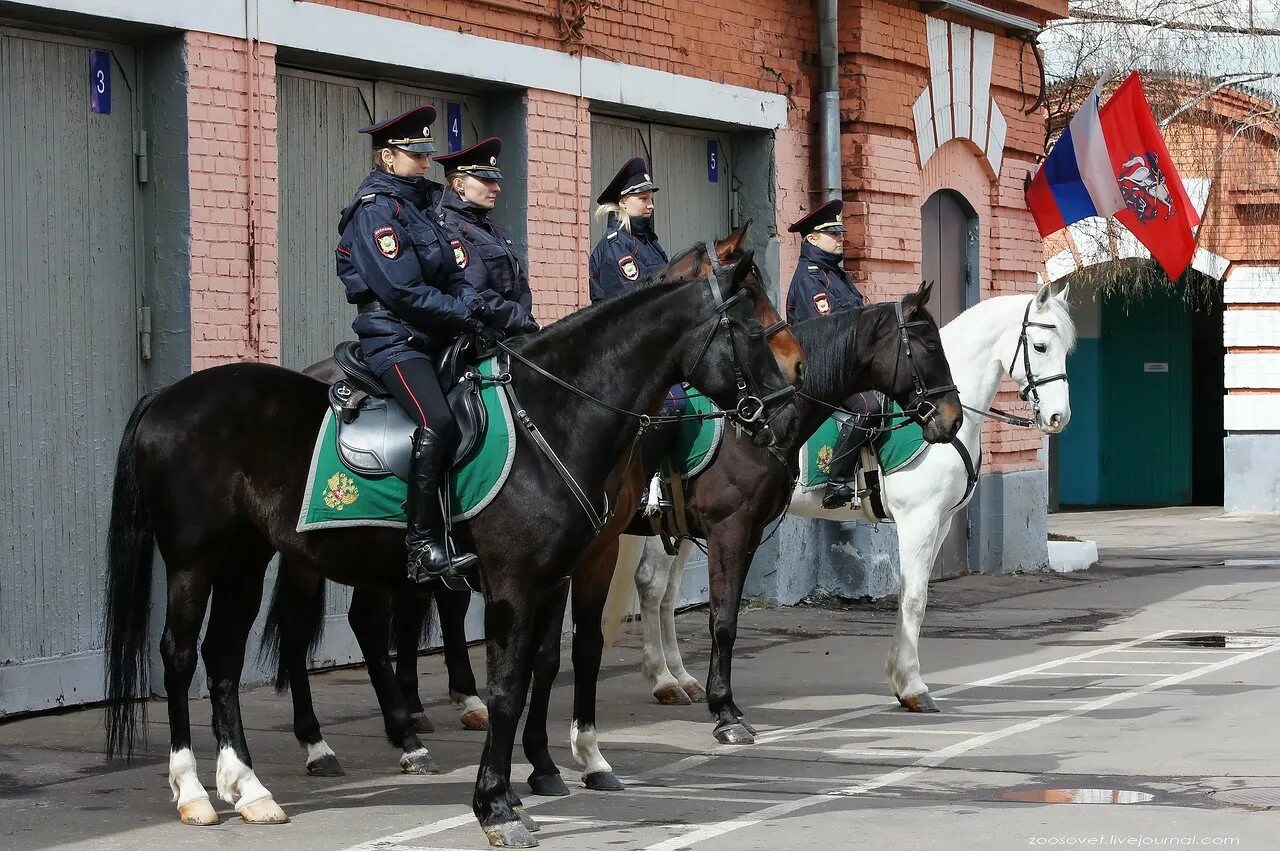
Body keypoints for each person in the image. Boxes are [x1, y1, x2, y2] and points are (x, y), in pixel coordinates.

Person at [334, 105, 503, 585]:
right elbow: (401, 291)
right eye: (416, 154)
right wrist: (464, 313)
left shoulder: (424, 208)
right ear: (388, 157)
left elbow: (456, 273)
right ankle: (421, 544)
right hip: (394, 338)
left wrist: (472, 306)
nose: (427, 162)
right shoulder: (375, 212)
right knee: (439, 420)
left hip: (438, 334)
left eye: (427, 154)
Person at [589, 157, 684, 513]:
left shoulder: (647, 243)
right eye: (642, 197)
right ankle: (642, 483)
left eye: (651, 197)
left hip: (657, 349)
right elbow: (636, 306)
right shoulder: (616, 247)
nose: (650, 203)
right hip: (626, 351)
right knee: (673, 404)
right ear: (623, 202)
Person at [784, 198, 881, 509]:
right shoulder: (809, 279)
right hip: (819, 372)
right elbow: (830, 338)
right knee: (867, 407)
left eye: (840, 233)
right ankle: (837, 483)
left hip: (846, 368)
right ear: (812, 239)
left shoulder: (834, 274)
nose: (841, 239)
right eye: (833, 234)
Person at [434, 137, 540, 338]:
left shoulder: (490, 228)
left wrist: (525, 321)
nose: (497, 188)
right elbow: (475, 291)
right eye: (486, 180)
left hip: (511, 333)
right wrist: (521, 321)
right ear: (459, 185)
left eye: (495, 180)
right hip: (478, 338)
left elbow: (520, 284)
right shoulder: (450, 229)